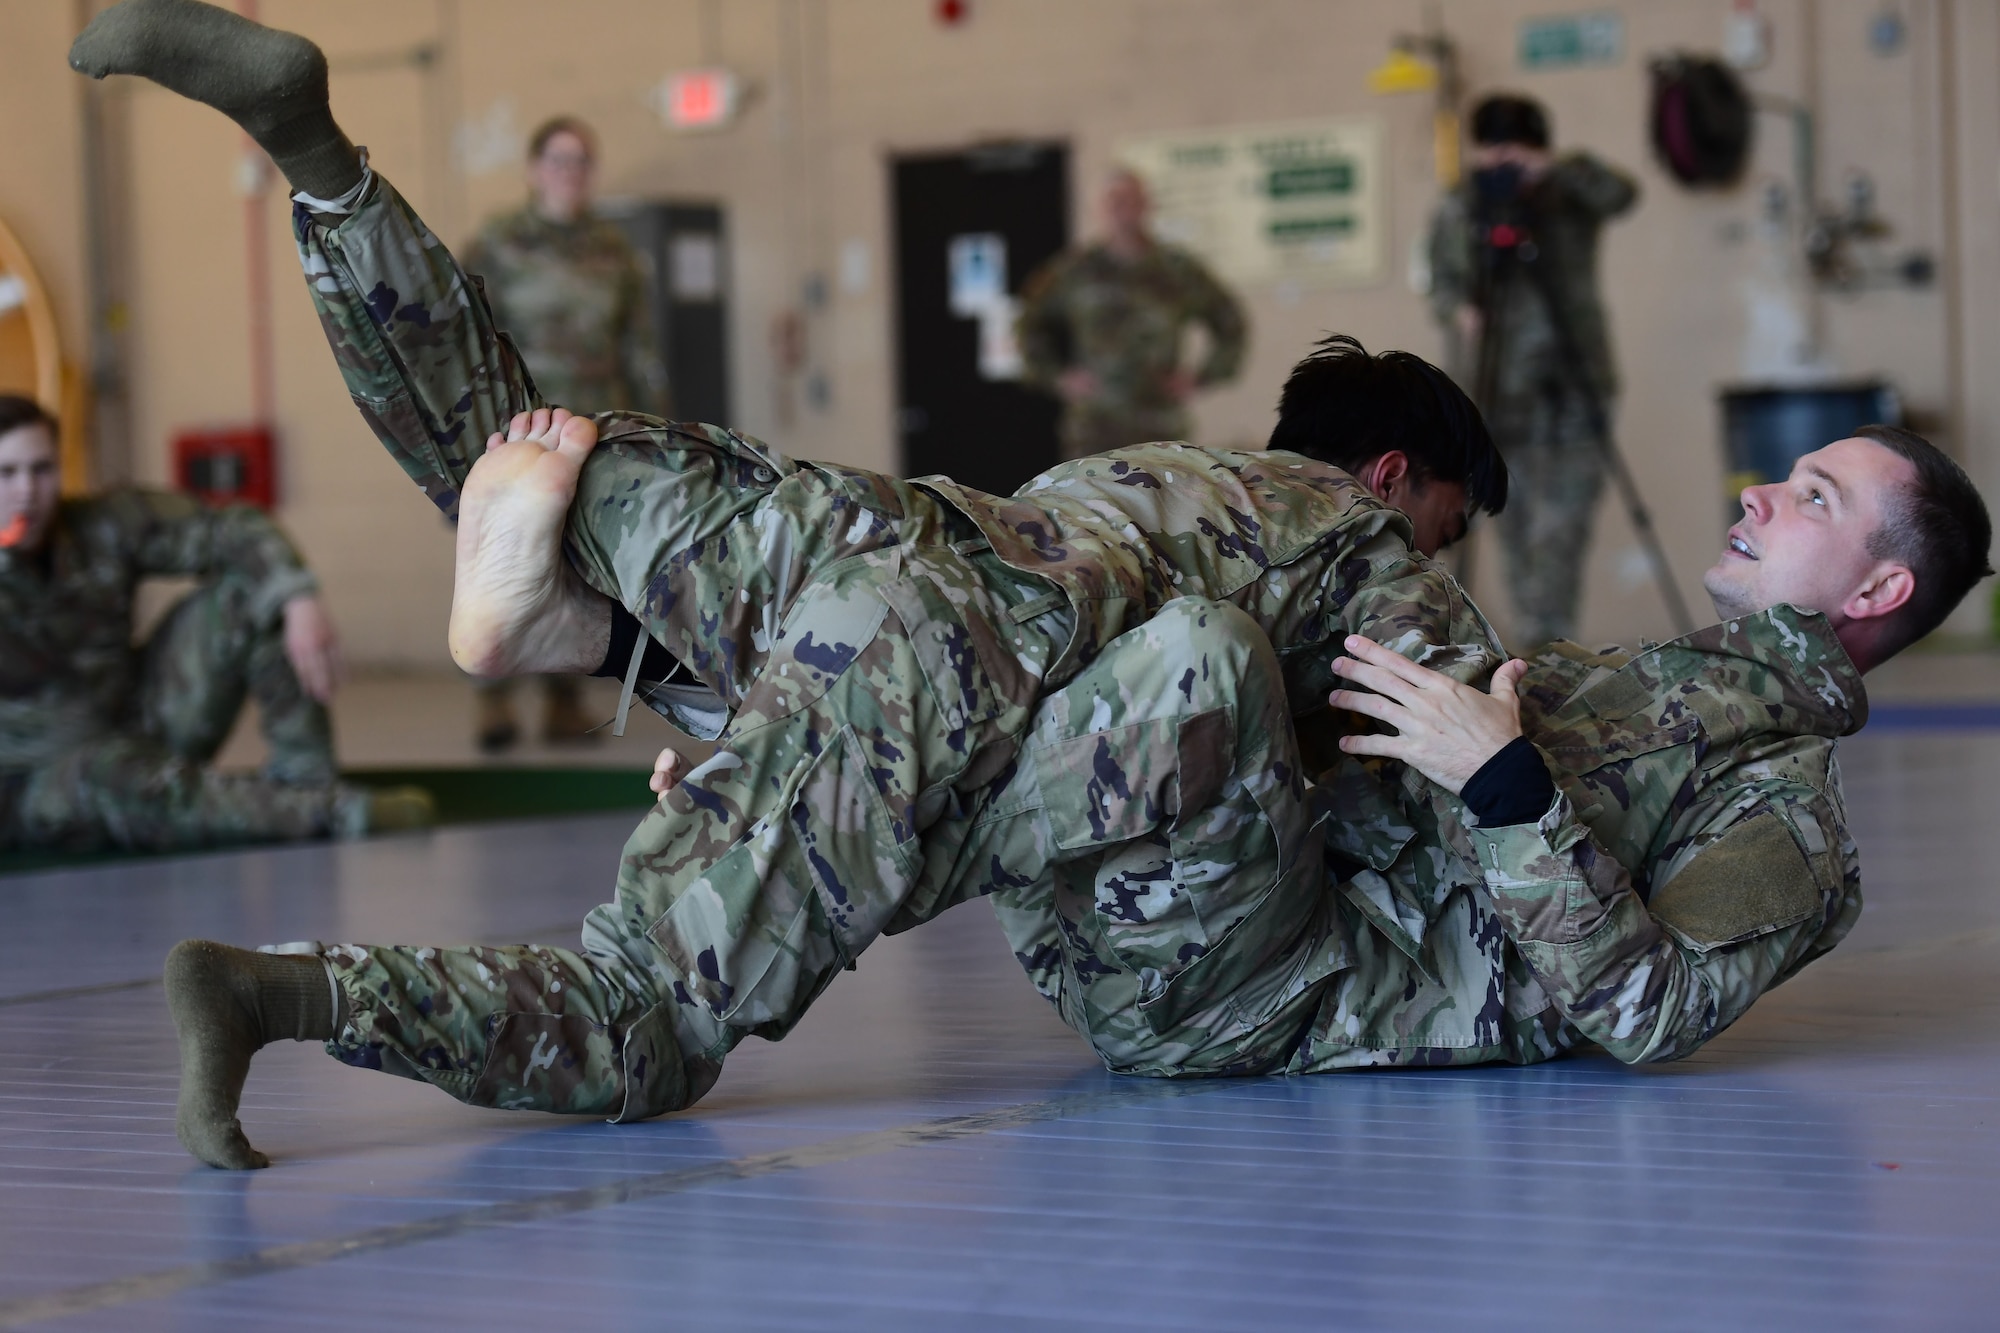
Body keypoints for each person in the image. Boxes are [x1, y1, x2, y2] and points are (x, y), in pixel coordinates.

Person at [68, 2, 1991, 1171]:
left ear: (1880, 586)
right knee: (551, 488)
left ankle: (663, 661)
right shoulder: (1565, 648)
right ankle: (334, 184)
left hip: (1238, 980)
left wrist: (1501, 787)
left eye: (1816, 491)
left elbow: (1648, 1006)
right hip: (1009, 655)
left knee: (1163, 642)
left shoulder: (1784, 816)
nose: (1767, 482)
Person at [0, 395, 434, 853]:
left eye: (41, 469)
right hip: (39, 779)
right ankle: (330, 815)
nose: (27, 490)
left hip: (136, 723)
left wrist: (297, 596)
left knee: (253, 591)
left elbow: (229, 528)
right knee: (112, 780)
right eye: (6, 473)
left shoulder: (101, 525)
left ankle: (308, 782)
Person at [461, 114, 670, 751]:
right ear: (534, 169)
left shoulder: (614, 251)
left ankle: (562, 700)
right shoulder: (497, 243)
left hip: (594, 430)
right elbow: (466, 337)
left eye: (580, 161)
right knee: (505, 557)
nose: (568, 173)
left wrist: (656, 429)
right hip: (518, 429)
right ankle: (493, 702)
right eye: (557, 160)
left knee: (580, 564)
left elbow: (639, 347)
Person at [1427, 93, 1638, 650]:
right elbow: (1440, 282)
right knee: (1510, 522)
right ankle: (1529, 645)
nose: (1503, 164)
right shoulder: (1463, 206)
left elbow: (1623, 194)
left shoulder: (1567, 192)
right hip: (1495, 392)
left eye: (1515, 150)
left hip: (1574, 386)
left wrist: (1554, 171)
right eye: (1492, 150)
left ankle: (1550, 644)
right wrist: (1462, 312)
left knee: (1562, 529)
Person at [1017, 169, 1247, 460]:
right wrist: (1057, 376)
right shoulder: (1075, 271)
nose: (1120, 208)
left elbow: (1230, 323)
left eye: (1128, 199)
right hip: (1096, 425)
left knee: (1164, 489)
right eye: (1111, 200)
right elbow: (1028, 322)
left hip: (1160, 423)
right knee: (1094, 491)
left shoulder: (1178, 271)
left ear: (1146, 205)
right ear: (1098, 209)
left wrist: (1203, 376)